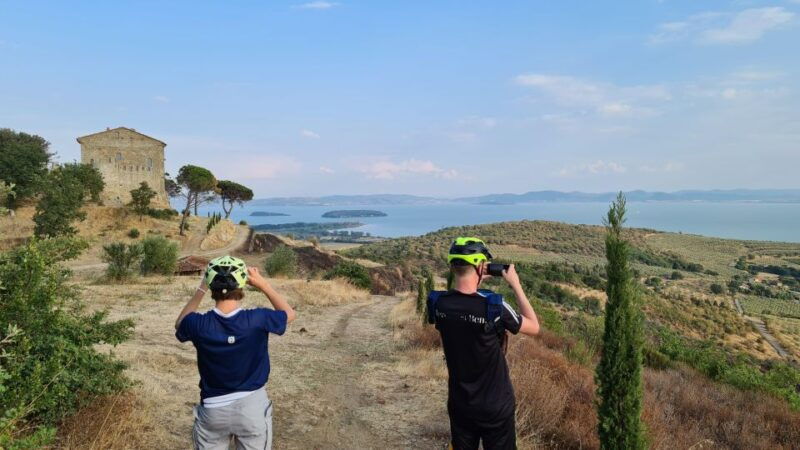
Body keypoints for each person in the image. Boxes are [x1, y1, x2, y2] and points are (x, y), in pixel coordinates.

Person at [427, 237, 540, 450]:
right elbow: (534, 326)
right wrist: (515, 284)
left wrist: (474, 279)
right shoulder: (495, 306)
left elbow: (458, 298)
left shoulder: (438, 303)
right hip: (495, 407)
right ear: (480, 266)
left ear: (452, 266)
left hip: (460, 404)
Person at [175, 255, 296, 450]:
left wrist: (201, 288)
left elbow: (179, 323)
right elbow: (290, 314)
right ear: (241, 286)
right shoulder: (258, 318)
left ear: (211, 287)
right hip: (252, 408)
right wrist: (264, 285)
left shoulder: (197, 324)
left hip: (213, 409)